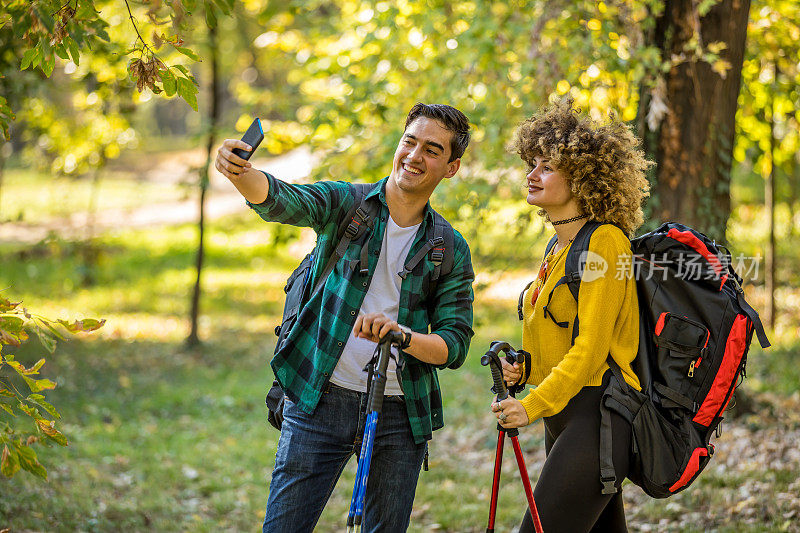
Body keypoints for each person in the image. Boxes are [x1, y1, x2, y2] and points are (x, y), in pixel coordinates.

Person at [215, 103, 475, 533]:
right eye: (409, 141)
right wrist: (241, 173)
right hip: (319, 398)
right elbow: (285, 199)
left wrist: (403, 336)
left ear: (451, 167)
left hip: (398, 412)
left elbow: (456, 344)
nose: (414, 155)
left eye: (432, 149)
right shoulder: (347, 204)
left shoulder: (448, 246)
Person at [491, 97, 651, 532]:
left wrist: (531, 405)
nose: (532, 175)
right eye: (532, 164)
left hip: (597, 417)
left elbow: (591, 349)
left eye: (547, 167)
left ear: (582, 178)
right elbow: (558, 338)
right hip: (565, 417)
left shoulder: (605, 243)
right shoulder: (559, 247)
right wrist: (522, 371)